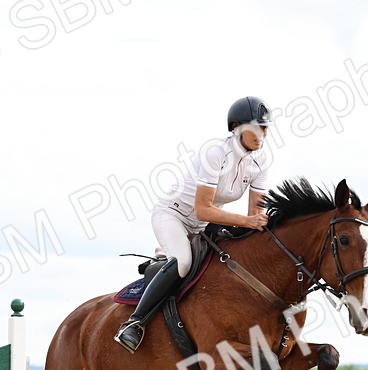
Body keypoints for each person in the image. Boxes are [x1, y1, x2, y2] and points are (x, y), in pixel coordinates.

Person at [114, 96, 273, 353]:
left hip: (205, 225)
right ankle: (134, 323)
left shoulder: (262, 161)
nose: (261, 135)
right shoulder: (216, 151)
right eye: (255, 128)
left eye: (265, 128)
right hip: (174, 216)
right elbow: (203, 208)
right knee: (184, 262)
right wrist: (247, 221)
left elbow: (256, 213)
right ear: (236, 128)